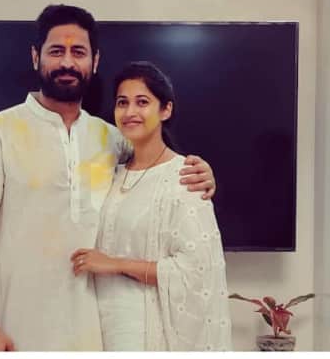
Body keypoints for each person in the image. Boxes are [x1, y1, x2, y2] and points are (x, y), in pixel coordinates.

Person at [0, 5, 217, 351]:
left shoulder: (112, 140)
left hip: (87, 332)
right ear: (36, 57)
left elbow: (155, 169)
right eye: (57, 51)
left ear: (95, 61)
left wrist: (201, 172)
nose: (68, 63)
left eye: (79, 52)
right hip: (7, 328)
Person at [71, 61, 231, 351]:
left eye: (142, 102)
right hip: (99, 328)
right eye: (122, 102)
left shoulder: (185, 177)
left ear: (165, 110)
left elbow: (196, 271)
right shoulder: (110, 172)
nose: (130, 111)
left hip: (148, 335)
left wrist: (114, 264)